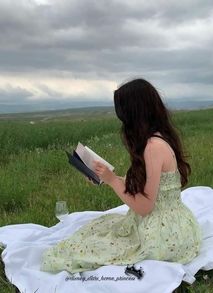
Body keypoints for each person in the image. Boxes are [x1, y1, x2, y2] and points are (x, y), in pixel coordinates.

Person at [40, 78, 203, 273]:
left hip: (163, 232)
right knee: (98, 229)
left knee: (90, 247)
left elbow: (144, 207)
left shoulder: (153, 147)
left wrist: (112, 181)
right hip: (174, 222)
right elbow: (152, 186)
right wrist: (108, 177)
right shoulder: (158, 138)